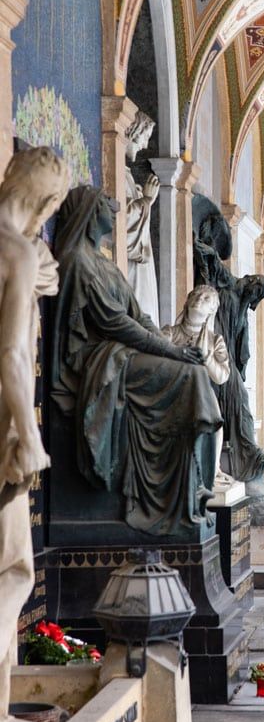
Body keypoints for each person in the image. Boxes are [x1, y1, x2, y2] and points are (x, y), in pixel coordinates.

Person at [51, 186, 222, 535]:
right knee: (188, 376)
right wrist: (171, 350)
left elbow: (137, 316)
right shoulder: (78, 263)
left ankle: (192, 485)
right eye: (106, 209)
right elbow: (116, 324)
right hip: (100, 361)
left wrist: (165, 342)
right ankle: (176, 494)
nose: (113, 215)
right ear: (88, 215)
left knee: (193, 371)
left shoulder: (103, 262)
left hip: (124, 352)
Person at [0, 147, 70, 717]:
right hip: (4, 426)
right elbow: (14, 354)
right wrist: (29, 434)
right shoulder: (17, 253)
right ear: (46, 202)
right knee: (13, 568)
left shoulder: (24, 254)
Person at [193, 211, 264, 481]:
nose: (253, 297)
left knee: (240, 403)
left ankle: (246, 453)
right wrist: (202, 243)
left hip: (224, 359)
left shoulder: (240, 300)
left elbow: (242, 343)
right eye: (256, 291)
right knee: (231, 403)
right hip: (211, 351)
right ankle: (243, 454)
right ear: (250, 280)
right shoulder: (228, 284)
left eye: (257, 296)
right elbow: (209, 258)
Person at [162, 285, 231, 486]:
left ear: (212, 310)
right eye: (195, 295)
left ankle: (213, 468)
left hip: (201, 392)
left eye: (206, 298)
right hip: (171, 390)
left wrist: (206, 357)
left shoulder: (214, 340)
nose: (199, 298)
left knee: (214, 422)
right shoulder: (169, 333)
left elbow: (222, 376)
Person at [125, 110, 160, 324]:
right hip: (131, 266)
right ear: (133, 132)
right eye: (145, 137)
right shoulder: (120, 175)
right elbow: (121, 222)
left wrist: (145, 201)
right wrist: (145, 200)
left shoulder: (126, 176)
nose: (145, 145)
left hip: (140, 265)